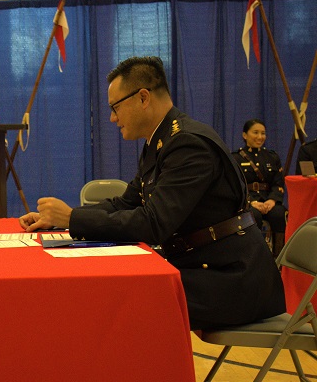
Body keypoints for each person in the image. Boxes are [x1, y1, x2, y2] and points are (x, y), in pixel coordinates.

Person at [19, 56, 285, 331]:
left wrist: (73, 218)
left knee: (115, 300)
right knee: (110, 287)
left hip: (233, 280)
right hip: (205, 267)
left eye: (115, 107)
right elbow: (126, 202)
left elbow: (154, 223)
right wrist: (63, 219)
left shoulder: (187, 145)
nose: (112, 117)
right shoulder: (162, 141)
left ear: (143, 97)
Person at [232, 119, 287, 256]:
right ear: (245, 135)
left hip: (268, 200)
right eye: (255, 132)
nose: (260, 137)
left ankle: (278, 256)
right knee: (252, 215)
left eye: (263, 133)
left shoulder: (271, 157)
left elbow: (278, 183)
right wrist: (251, 202)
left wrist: (272, 201)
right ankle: (254, 256)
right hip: (248, 201)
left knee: (279, 214)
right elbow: (236, 186)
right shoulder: (236, 158)